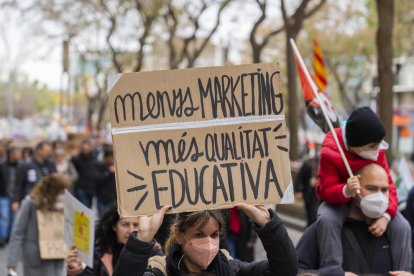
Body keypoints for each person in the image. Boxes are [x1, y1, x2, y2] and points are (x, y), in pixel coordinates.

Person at [316, 106, 411, 270]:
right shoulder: (330, 152)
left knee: (403, 227)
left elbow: (389, 186)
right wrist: (345, 190)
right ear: (355, 146)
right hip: (341, 200)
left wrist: (386, 216)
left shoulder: (377, 150)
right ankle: (332, 269)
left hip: (368, 197)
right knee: (327, 219)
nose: (378, 150)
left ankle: (403, 271)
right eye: (373, 146)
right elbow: (324, 190)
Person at [112, 203, 298, 276]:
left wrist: (270, 227)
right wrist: (142, 240)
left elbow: (285, 271)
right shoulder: (160, 272)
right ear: (179, 235)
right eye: (199, 235)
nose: (208, 242)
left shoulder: (231, 270)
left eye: (214, 235)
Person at [297, 163, 413, 276]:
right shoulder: (324, 229)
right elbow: (295, 271)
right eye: (371, 188)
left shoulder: (396, 233)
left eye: (384, 190)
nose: (379, 197)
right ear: (352, 189)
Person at [66, 205, 163, 276]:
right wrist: (77, 272)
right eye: (125, 224)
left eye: (136, 225)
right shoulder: (100, 253)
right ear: (114, 226)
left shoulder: (154, 252)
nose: (131, 230)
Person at [7, 173, 69, 276]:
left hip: (55, 254)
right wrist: (11, 263)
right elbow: (18, 232)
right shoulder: (31, 203)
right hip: (35, 256)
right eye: (61, 191)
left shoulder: (64, 205)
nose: (63, 194)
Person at [12, 141, 56, 211]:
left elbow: (55, 180)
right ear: (39, 150)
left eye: (49, 151)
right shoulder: (25, 164)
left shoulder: (50, 164)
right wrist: (16, 200)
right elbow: (18, 183)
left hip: (45, 199)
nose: (48, 153)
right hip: (29, 198)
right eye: (46, 151)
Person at [294, 142, 321, 226]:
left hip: (318, 195)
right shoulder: (309, 162)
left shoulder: (325, 163)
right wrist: (298, 190)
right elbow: (300, 177)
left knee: (314, 216)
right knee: (311, 216)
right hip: (309, 193)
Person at [0, 147, 22, 246]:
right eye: (17, 153)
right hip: (4, 195)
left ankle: (10, 237)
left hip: (15, 196)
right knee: (4, 217)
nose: (19, 155)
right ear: (11, 154)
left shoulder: (21, 166)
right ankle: (3, 237)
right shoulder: (2, 165)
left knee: (14, 217)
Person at [72, 139, 99, 208]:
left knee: (89, 207)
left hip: (91, 187)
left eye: (86, 148)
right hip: (81, 186)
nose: (85, 150)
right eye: (83, 148)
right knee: (84, 207)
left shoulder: (95, 157)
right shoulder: (76, 159)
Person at [95, 147, 116, 217]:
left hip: (113, 198)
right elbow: (97, 180)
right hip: (102, 199)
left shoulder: (117, 167)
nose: (111, 159)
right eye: (110, 157)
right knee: (102, 218)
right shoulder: (99, 167)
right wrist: (108, 172)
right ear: (105, 158)